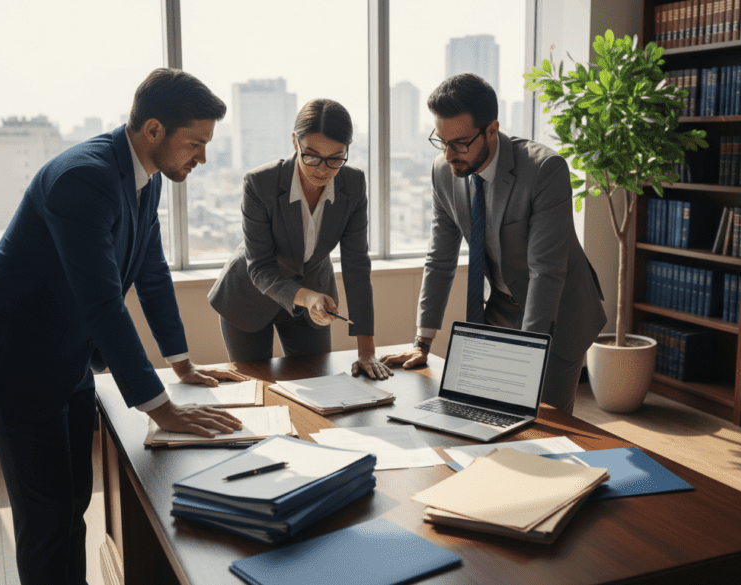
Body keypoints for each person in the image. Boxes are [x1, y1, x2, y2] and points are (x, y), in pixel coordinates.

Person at [0, 68, 243, 585]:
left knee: (74, 501)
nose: (201, 157)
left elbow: (151, 272)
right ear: (154, 130)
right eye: (194, 143)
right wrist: (161, 408)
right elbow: (103, 304)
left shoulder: (143, 178)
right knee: (46, 517)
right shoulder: (84, 178)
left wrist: (181, 363)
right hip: (13, 357)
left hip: (67, 353)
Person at [381, 73, 607, 414]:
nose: (448, 153)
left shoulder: (544, 170)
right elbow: (440, 259)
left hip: (559, 311)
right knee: (482, 411)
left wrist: (526, 358)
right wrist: (422, 342)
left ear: (491, 130)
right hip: (501, 306)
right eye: (441, 141)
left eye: (459, 143)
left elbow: (546, 272)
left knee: (543, 422)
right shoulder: (444, 171)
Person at [208, 99, 391, 380]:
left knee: (318, 383)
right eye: (312, 155)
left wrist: (366, 350)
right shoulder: (260, 183)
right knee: (258, 388)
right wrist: (309, 298)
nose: (322, 169)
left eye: (335, 158)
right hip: (249, 295)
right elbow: (260, 267)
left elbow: (356, 266)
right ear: (295, 142)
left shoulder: (353, 184)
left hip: (313, 295)